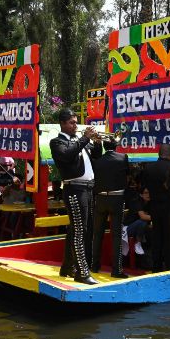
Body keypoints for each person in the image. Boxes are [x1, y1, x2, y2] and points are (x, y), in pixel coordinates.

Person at [49, 108, 103, 285]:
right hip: (74, 189)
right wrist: (85, 138)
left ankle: (67, 266)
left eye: (75, 122)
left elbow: (96, 156)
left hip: (87, 189)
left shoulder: (78, 141)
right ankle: (82, 272)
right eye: (72, 122)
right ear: (63, 124)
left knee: (77, 229)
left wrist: (97, 142)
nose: (75, 125)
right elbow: (67, 155)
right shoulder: (57, 142)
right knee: (81, 230)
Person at [91, 138, 130, 278]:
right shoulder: (122, 157)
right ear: (116, 145)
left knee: (97, 234)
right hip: (117, 198)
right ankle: (116, 269)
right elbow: (127, 175)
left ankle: (94, 266)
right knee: (116, 235)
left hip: (100, 198)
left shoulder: (98, 161)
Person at [141, 143, 170, 272]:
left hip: (154, 205)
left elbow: (145, 185)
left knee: (157, 236)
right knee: (169, 237)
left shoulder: (149, 168)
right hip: (169, 207)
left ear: (159, 153)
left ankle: (156, 266)